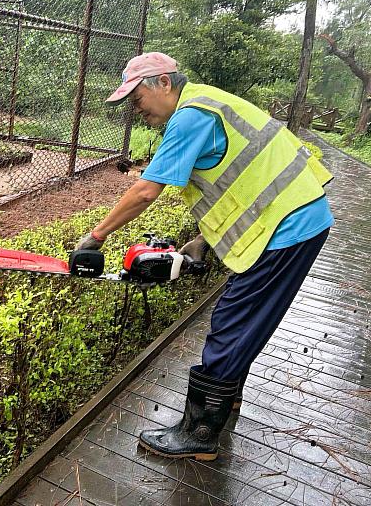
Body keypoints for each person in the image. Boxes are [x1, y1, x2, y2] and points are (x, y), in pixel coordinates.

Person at [75, 52, 334, 461]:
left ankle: (199, 434)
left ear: (163, 83)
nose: (135, 107)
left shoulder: (190, 116)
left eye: (137, 96)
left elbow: (146, 190)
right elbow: (244, 183)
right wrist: (203, 240)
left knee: (231, 322)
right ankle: (225, 403)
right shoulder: (207, 102)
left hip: (288, 227)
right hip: (293, 217)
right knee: (244, 320)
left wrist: (95, 236)